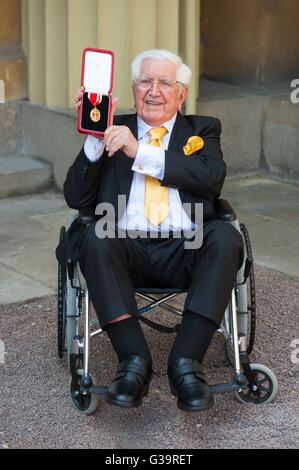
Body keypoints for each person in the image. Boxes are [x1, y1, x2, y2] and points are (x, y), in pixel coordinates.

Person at [59, 49, 244, 412]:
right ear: (133, 87)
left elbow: (210, 179)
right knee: (95, 235)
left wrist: (139, 150)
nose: (153, 90)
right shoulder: (114, 128)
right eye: (145, 81)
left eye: (164, 82)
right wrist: (95, 139)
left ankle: (186, 363)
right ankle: (134, 362)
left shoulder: (203, 129)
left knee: (225, 236)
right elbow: (75, 197)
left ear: (182, 93)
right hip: (125, 253)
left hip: (188, 249)